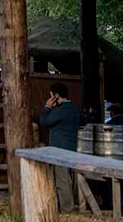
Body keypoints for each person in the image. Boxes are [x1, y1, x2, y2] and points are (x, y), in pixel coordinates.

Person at [41, 82, 79, 213]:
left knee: (62, 180)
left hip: (60, 149)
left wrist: (47, 107)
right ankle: (69, 205)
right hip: (70, 147)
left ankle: (67, 208)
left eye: (51, 95)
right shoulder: (73, 108)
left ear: (56, 96)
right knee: (68, 179)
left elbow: (45, 121)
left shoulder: (61, 111)